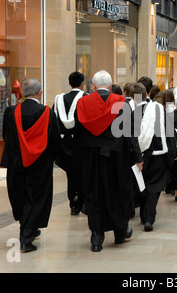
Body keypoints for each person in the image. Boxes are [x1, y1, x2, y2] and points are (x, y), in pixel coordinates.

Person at [74, 70, 143, 252]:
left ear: (93, 86)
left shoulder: (82, 103)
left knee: (93, 194)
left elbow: (78, 134)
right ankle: (120, 232)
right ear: (111, 86)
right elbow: (131, 135)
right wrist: (138, 157)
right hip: (116, 158)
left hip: (90, 158)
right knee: (117, 192)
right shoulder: (122, 104)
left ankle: (96, 237)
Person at [0, 79, 61, 253]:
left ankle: (31, 228)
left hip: (16, 164)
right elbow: (54, 140)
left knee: (20, 196)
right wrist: (54, 158)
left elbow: (6, 136)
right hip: (39, 166)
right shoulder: (47, 113)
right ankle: (26, 238)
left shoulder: (11, 112)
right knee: (36, 198)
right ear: (40, 92)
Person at [135, 85, 177, 231]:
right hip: (159, 154)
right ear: (147, 93)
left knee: (142, 184)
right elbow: (169, 131)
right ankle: (149, 218)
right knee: (155, 186)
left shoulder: (131, 111)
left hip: (139, 155)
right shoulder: (159, 109)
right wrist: (173, 152)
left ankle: (143, 215)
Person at [53, 72, 86, 215]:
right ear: (82, 83)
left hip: (63, 143)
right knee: (81, 173)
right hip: (79, 143)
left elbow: (53, 121)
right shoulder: (85, 99)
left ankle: (72, 202)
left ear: (69, 83)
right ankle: (80, 200)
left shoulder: (59, 99)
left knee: (70, 174)